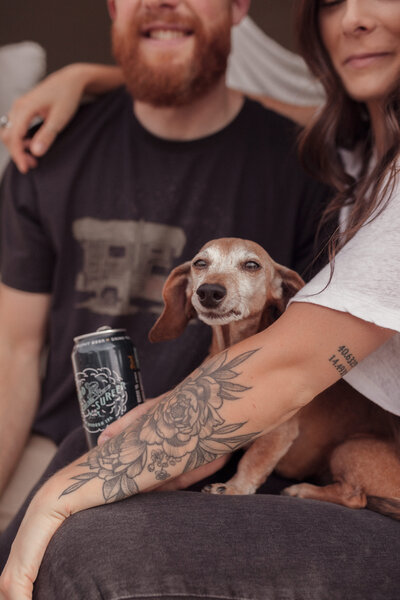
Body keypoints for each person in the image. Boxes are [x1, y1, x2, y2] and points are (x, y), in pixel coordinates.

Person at [1, 0, 400, 598]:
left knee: (89, 547)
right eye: (333, 2)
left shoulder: (308, 169)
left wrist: (77, 487)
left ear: (240, 7)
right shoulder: (350, 154)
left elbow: (289, 370)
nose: (354, 20)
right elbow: (10, 353)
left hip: (322, 457)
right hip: (79, 431)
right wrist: (86, 76)